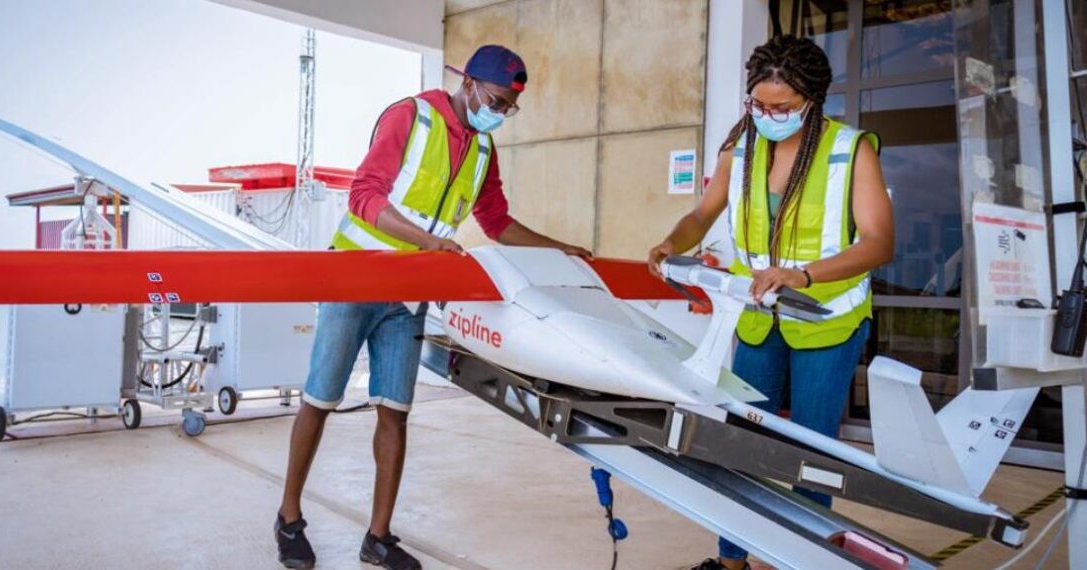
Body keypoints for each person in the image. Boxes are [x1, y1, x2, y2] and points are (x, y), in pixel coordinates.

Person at [274, 45, 591, 570]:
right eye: (495, 101)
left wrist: (557, 248)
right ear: (468, 84)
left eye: (509, 108)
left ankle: (378, 537)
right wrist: (425, 241)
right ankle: (288, 518)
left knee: (395, 413)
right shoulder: (410, 117)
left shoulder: (484, 149)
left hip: (407, 299)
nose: (500, 114)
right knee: (320, 401)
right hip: (356, 279)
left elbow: (496, 222)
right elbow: (364, 198)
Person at [647, 35, 893, 570]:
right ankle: (731, 561)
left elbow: (878, 242)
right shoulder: (739, 148)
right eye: (758, 104)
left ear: (812, 100)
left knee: (810, 455)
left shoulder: (852, 150)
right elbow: (702, 214)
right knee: (741, 441)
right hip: (758, 319)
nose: (768, 115)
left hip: (827, 321)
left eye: (781, 108)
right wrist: (673, 241)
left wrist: (803, 274)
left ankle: (799, 560)